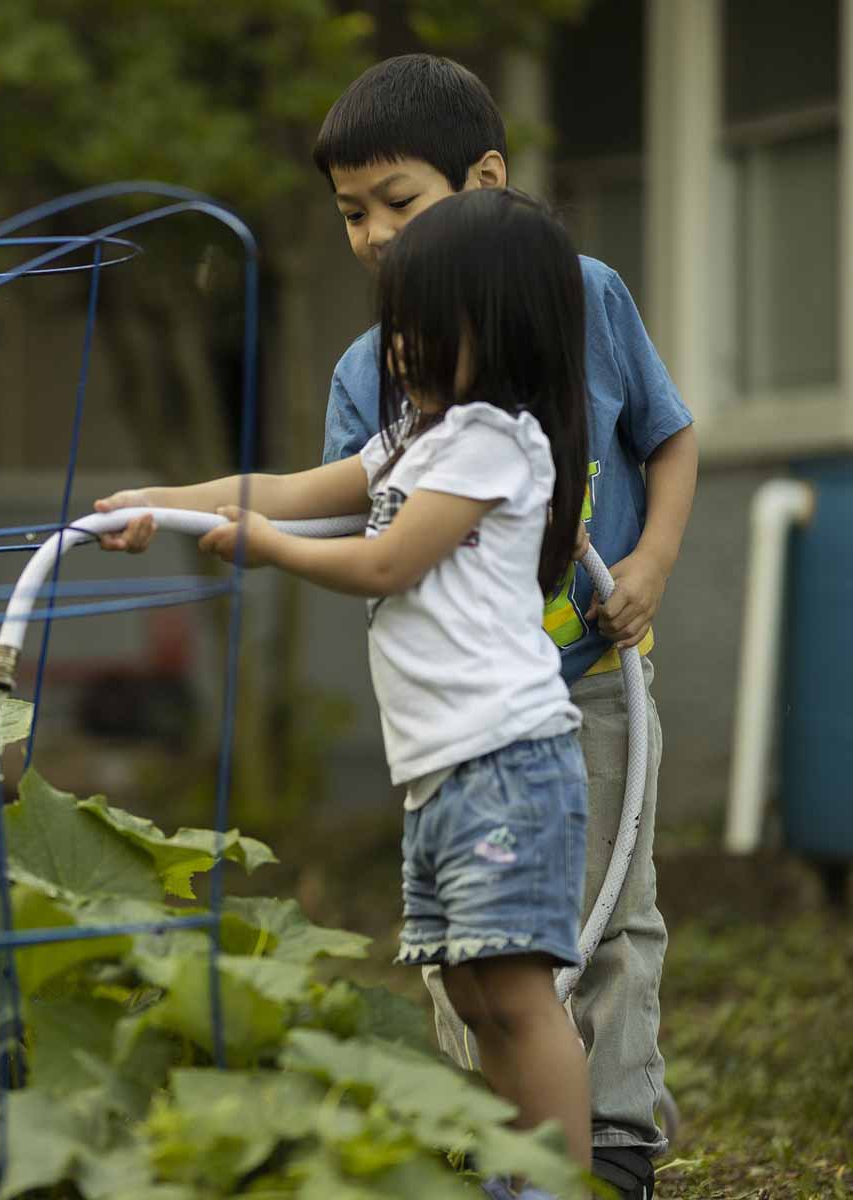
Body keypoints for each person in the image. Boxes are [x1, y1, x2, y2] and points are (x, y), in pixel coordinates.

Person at [98, 187, 595, 1195]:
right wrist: (159, 502)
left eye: (425, 327)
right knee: (470, 992)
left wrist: (270, 551)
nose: (401, 348)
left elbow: (383, 564)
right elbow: (277, 490)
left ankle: (563, 1186)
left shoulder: (498, 439)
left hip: (507, 762)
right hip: (442, 774)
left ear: (501, 327)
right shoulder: (409, 442)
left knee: (519, 994)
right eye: (396, 326)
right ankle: (510, 1175)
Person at [309, 55, 698, 1200]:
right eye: (350, 215)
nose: (376, 235)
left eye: (400, 203)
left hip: (592, 676)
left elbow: (670, 440)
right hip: (467, 715)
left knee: (612, 911)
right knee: (468, 934)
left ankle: (614, 1137)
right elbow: (358, 520)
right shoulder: (367, 371)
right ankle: (496, 1134)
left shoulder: (591, 301)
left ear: (486, 179)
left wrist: (652, 562)